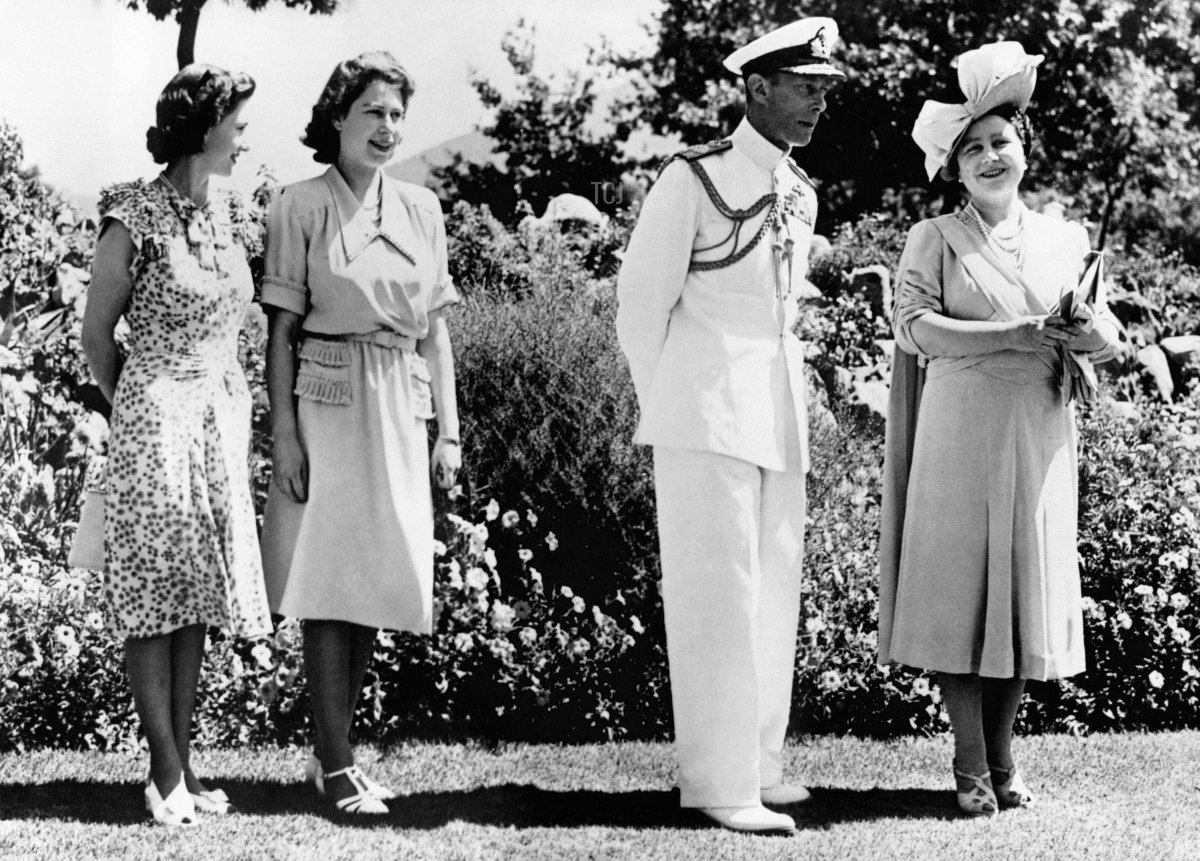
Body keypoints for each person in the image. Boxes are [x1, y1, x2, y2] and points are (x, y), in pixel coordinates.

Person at [877, 42, 1123, 816]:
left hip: (1036, 428)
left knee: (1017, 595)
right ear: (955, 169)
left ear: (1025, 149)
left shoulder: (1065, 238)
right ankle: (969, 761)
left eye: (1001, 142)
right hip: (958, 429)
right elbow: (914, 327)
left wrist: (1084, 328)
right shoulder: (933, 236)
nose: (990, 157)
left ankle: (1005, 757)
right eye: (973, 148)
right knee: (961, 591)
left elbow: (1106, 337)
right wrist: (1012, 333)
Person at [615, 17, 844, 835]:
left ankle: (760, 764)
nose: (818, 104)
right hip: (704, 409)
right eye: (805, 88)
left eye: (824, 90)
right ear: (756, 87)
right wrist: (679, 401)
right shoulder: (694, 177)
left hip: (775, 408)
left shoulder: (800, 191)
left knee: (773, 591)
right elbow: (640, 305)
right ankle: (719, 779)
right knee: (719, 596)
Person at [259, 51, 460, 816]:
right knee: (328, 578)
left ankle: (333, 755)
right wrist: (284, 434)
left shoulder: (422, 209)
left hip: (401, 402)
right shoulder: (298, 205)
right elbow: (280, 333)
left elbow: (436, 333)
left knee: (375, 574)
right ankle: (338, 761)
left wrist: (449, 433)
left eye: (397, 114)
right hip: (328, 396)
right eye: (373, 111)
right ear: (337, 117)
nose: (387, 127)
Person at [81, 64, 272, 827]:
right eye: (239, 123)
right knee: (151, 595)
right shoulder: (134, 214)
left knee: (193, 592)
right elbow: (97, 335)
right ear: (204, 125)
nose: (246, 137)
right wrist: (141, 401)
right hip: (156, 418)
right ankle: (162, 773)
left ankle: (184, 764)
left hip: (219, 417)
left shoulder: (233, 210)